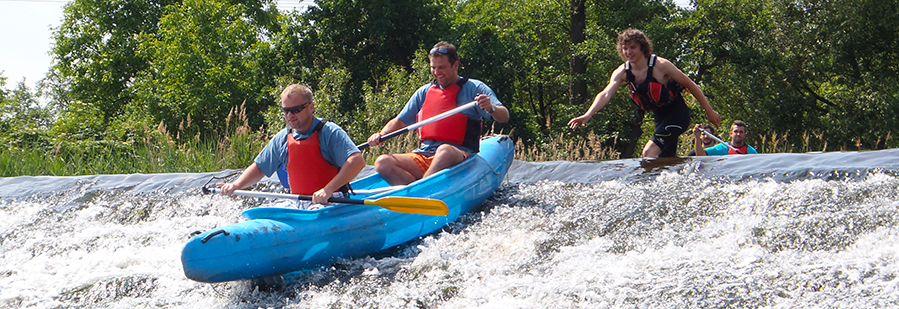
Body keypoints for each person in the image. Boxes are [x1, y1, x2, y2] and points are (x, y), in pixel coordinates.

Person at [366, 41, 510, 185]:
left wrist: (491, 108)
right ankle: (413, 194)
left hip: (459, 155)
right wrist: (382, 134)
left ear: (455, 66)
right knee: (382, 162)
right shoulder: (424, 92)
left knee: (444, 151)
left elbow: (504, 116)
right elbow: (399, 121)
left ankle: (422, 187)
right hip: (424, 154)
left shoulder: (474, 88)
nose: (436, 72)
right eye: (433, 68)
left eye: (441, 67)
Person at [567, 29, 721, 158]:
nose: (628, 52)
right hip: (659, 117)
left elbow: (690, 84)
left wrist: (709, 110)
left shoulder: (661, 66)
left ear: (642, 48)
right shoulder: (622, 72)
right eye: (624, 48)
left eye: (632, 47)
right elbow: (606, 93)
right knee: (665, 162)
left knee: (648, 152)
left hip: (677, 115)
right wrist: (588, 114)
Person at [218, 84, 365, 208]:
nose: (290, 115)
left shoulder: (330, 132)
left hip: (332, 200)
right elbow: (259, 167)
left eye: (296, 110)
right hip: (298, 200)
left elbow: (357, 161)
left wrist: (328, 190)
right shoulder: (282, 138)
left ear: (311, 107)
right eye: (285, 111)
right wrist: (236, 185)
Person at [692, 120, 758, 155]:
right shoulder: (722, 148)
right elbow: (701, 154)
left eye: (741, 132)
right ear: (731, 134)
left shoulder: (751, 151)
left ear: (744, 135)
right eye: (736, 131)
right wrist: (697, 137)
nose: (738, 134)